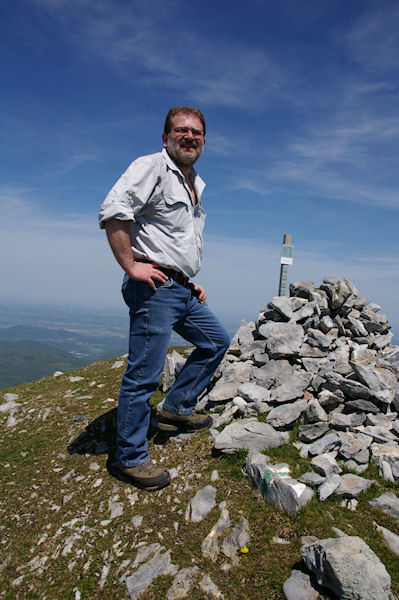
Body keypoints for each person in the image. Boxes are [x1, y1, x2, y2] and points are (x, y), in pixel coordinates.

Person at [99, 106, 230, 491]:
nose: (189, 137)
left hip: (179, 287)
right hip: (153, 288)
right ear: (166, 137)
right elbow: (114, 211)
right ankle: (130, 457)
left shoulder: (195, 183)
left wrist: (187, 279)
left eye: (197, 132)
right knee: (143, 375)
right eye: (181, 130)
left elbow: (174, 240)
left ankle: (175, 409)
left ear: (204, 139)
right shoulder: (151, 167)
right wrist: (131, 266)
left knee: (216, 341)